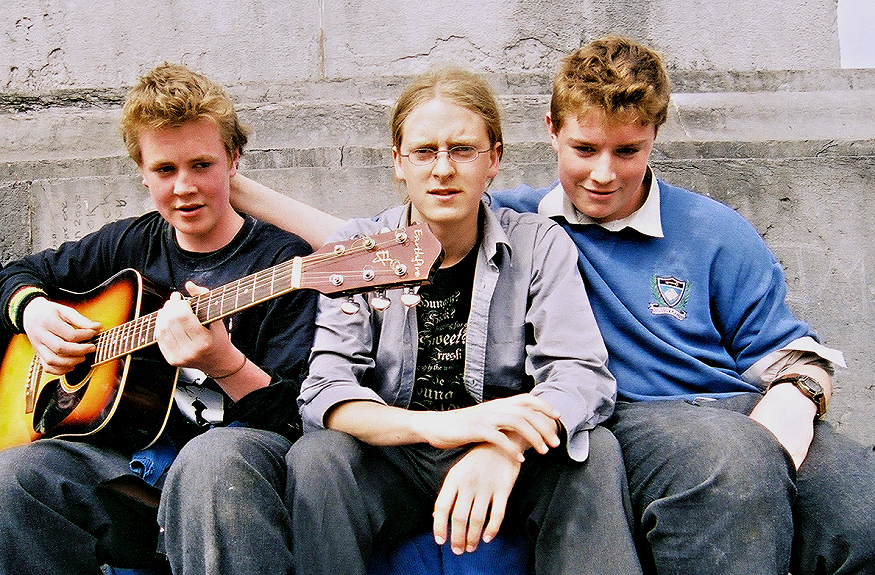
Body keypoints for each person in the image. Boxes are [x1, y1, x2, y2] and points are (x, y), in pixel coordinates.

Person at [231, 36, 875, 575]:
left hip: (736, 405)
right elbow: (371, 243)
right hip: (641, 421)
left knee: (861, 511)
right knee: (719, 460)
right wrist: (221, 181)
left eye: (627, 151)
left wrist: (794, 402)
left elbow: (791, 347)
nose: (602, 174)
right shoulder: (519, 216)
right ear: (553, 135)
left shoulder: (705, 230)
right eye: (584, 150)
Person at [283, 65, 642, 575]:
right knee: (317, 460)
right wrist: (440, 427)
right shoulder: (358, 249)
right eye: (425, 152)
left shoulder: (538, 244)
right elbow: (326, 391)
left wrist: (506, 444)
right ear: (398, 163)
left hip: (500, 449)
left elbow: (582, 373)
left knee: (592, 451)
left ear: (493, 159)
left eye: (463, 149)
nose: (443, 169)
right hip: (398, 455)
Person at [0, 62, 317, 575]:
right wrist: (32, 310)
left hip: (236, 465)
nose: (184, 187)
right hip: (126, 464)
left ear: (234, 161)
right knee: (13, 477)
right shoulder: (128, 244)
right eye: (165, 170)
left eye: (201, 165)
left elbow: (296, 418)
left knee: (210, 462)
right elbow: (18, 272)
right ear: (142, 171)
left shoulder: (285, 264)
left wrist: (224, 363)